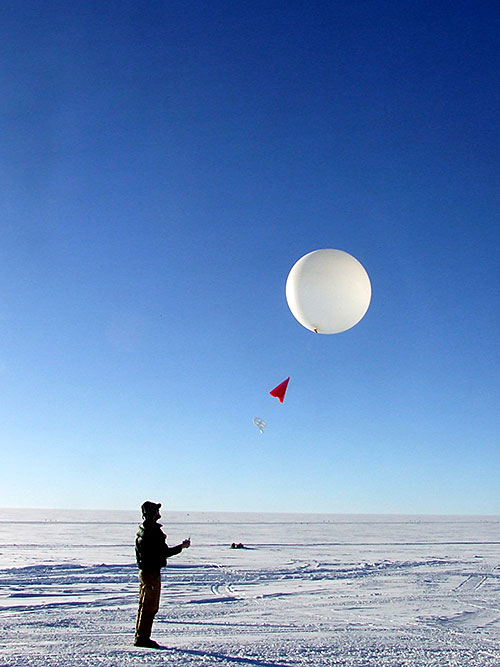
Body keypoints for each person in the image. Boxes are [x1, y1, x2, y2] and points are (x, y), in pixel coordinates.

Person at [134, 501, 190, 648]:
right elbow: (164, 552)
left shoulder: (143, 529)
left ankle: (141, 636)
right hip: (151, 573)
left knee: (144, 605)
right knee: (150, 606)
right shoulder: (152, 531)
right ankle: (142, 638)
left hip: (146, 572)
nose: (159, 514)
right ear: (152, 514)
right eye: (156, 511)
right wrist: (181, 547)